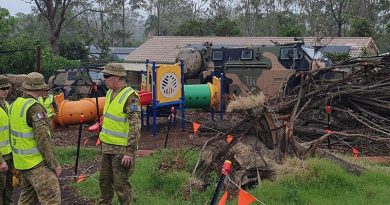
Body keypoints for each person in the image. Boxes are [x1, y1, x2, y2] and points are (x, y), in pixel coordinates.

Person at [9, 72, 62, 205]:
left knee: (27, 199)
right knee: (51, 199)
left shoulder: (15, 104)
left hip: (22, 163)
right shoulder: (35, 107)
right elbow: (43, 139)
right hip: (37, 164)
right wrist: (54, 164)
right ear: (41, 88)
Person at [98, 63, 141, 205]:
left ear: (116, 77)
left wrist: (129, 152)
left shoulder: (130, 97)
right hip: (107, 147)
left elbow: (135, 126)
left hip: (121, 151)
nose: (104, 79)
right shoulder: (110, 93)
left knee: (121, 186)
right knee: (104, 183)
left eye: (106, 76)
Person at [0, 75, 14, 205]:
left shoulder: (7, 105)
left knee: (9, 188)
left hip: (9, 155)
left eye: (7, 88)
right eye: (2, 88)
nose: (5, 90)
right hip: (1, 158)